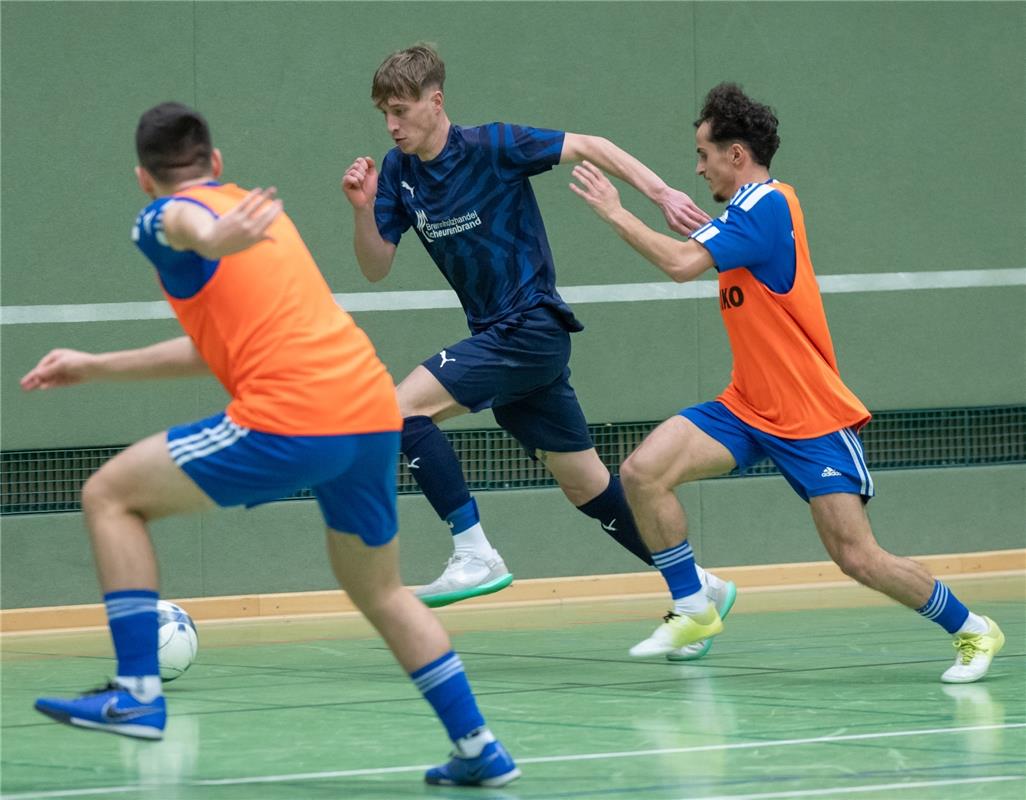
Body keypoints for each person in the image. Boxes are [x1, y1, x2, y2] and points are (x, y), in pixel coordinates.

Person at [23, 102, 519, 787]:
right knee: (381, 593)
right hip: (370, 411)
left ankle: (136, 694)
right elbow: (215, 348)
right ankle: (479, 747)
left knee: (108, 495)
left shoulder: (169, 217)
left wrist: (216, 236)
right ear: (217, 162)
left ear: (144, 178)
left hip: (294, 416)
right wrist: (98, 365)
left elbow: (184, 222)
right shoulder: (263, 214)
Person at [568, 82, 1005, 682]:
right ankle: (695, 603)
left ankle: (973, 630)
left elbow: (677, 265)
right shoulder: (741, 216)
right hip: (747, 406)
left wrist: (616, 212)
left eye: (704, 154)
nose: (698, 168)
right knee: (644, 473)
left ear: (737, 155)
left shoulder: (766, 205)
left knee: (857, 557)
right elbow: (690, 248)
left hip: (809, 415)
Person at [341, 45, 735, 656]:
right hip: (507, 347)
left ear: (435, 101)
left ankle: (473, 551)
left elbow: (591, 145)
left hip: (528, 328)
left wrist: (658, 193)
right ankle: (699, 586)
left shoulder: (493, 146)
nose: (391, 126)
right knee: (588, 487)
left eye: (400, 110)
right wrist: (364, 211)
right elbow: (375, 266)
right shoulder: (398, 173)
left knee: (395, 411)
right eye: (383, 114)